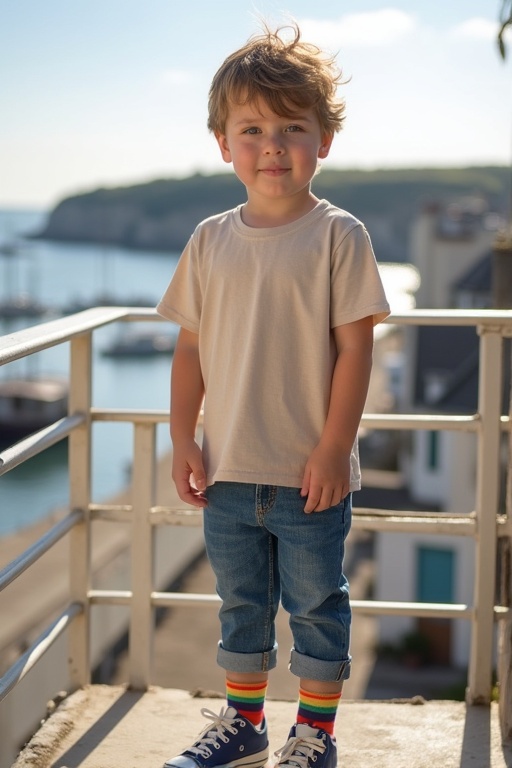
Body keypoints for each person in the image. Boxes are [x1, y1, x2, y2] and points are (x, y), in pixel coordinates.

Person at [157, 22, 390, 768]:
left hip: (308, 476)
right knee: (242, 607)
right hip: (227, 468)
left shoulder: (338, 235)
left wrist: (332, 449)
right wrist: (181, 438)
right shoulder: (209, 238)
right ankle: (246, 723)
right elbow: (190, 346)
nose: (272, 145)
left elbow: (356, 349)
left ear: (324, 138)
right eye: (252, 129)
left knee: (319, 607)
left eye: (293, 127)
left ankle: (314, 735)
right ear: (224, 144)